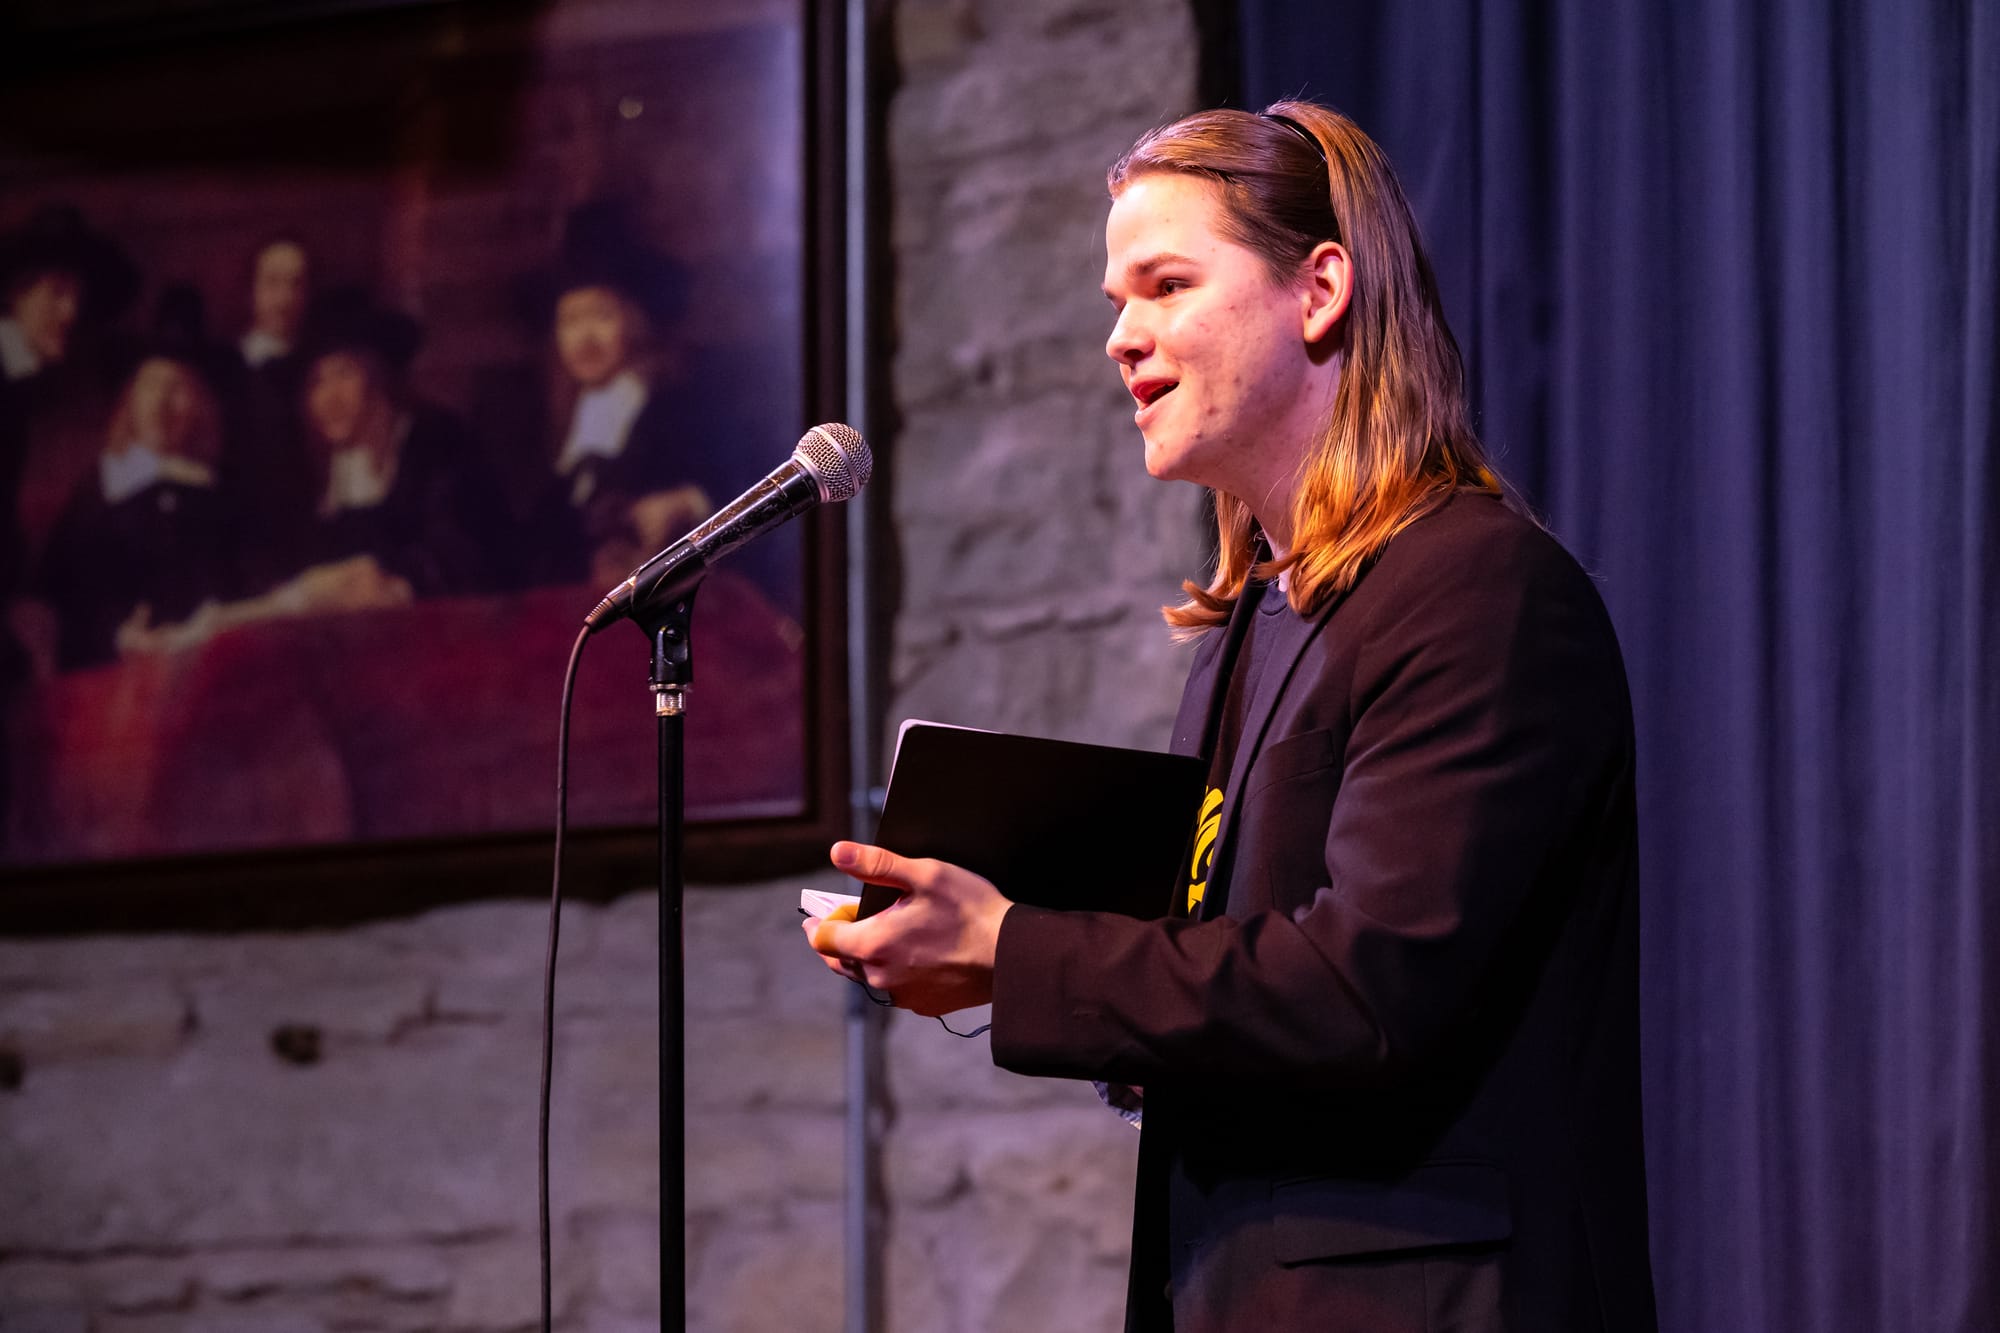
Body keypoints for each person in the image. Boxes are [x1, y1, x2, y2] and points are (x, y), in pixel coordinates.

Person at [805, 102, 1656, 1332]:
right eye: (1115, 300)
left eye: (1165, 285)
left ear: (1319, 291)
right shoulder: (1246, 632)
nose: (1120, 336)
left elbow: (1365, 988)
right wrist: (981, 956)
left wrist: (1016, 948)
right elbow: (1236, 995)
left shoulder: (1476, 588)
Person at [35, 318, 240, 670]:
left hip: (206, 667)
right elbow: (60, 596)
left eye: (177, 388)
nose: (161, 403)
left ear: (200, 405)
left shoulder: (218, 494)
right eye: (150, 386)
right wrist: (117, 636)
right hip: (110, 670)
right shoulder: (99, 488)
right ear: (130, 401)